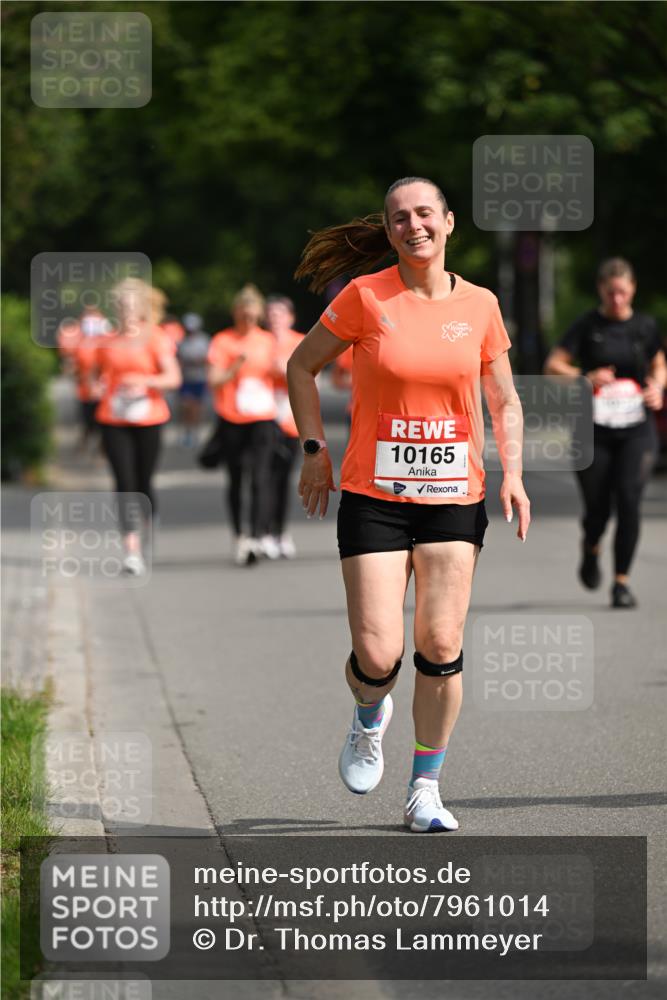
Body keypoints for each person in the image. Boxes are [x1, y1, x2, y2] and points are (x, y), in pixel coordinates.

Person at [287, 177, 530, 832]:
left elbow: (503, 398)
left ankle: (425, 788)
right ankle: (369, 715)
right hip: (376, 496)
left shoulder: (480, 304)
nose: (413, 225)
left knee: (441, 641)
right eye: (399, 217)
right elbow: (301, 366)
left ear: (448, 222)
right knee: (377, 656)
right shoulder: (365, 296)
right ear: (389, 230)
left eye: (425, 213)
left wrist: (512, 472)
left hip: (453, 495)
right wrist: (314, 449)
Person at [544, 258, 666, 608]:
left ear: (633, 290)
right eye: (611, 292)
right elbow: (552, 366)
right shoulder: (587, 325)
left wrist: (658, 387)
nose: (617, 299)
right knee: (598, 509)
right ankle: (591, 546)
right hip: (593, 430)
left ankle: (621, 582)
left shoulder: (644, 326)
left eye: (622, 292)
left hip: (636, 428)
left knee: (629, 500)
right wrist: (585, 376)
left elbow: (659, 363)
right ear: (601, 289)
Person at [92, 278, 182, 575]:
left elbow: (173, 378)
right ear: (115, 308)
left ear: (142, 308)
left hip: (149, 417)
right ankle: (131, 550)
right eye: (121, 306)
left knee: (144, 481)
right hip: (113, 418)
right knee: (123, 483)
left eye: (131, 306)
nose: (126, 311)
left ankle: (148, 525)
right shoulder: (106, 340)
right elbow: (93, 376)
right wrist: (97, 386)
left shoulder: (155, 337)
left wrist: (144, 381)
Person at [207, 284, 278, 566]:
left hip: (262, 417)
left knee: (260, 477)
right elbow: (214, 380)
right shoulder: (223, 341)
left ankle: (258, 535)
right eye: (242, 313)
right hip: (232, 417)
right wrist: (235, 367)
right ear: (235, 313)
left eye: (252, 313)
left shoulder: (268, 340)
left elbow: (284, 374)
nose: (247, 318)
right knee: (236, 478)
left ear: (259, 313)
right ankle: (239, 535)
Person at [265, 295, 305, 559]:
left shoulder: (300, 342)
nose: (275, 318)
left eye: (280, 313)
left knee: (283, 478)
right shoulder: (260, 342)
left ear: (290, 318)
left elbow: (312, 378)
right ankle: (264, 532)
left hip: (290, 418)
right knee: (263, 478)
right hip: (262, 417)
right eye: (271, 314)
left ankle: (281, 532)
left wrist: (286, 371)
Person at [177, 312, 210, 447]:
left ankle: (194, 431)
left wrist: (197, 361)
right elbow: (178, 359)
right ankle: (187, 431)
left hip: (199, 379)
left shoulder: (204, 340)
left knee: (196, 407)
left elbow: (209, 359)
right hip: (186, 379)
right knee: (186, 406)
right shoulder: (182, 342)